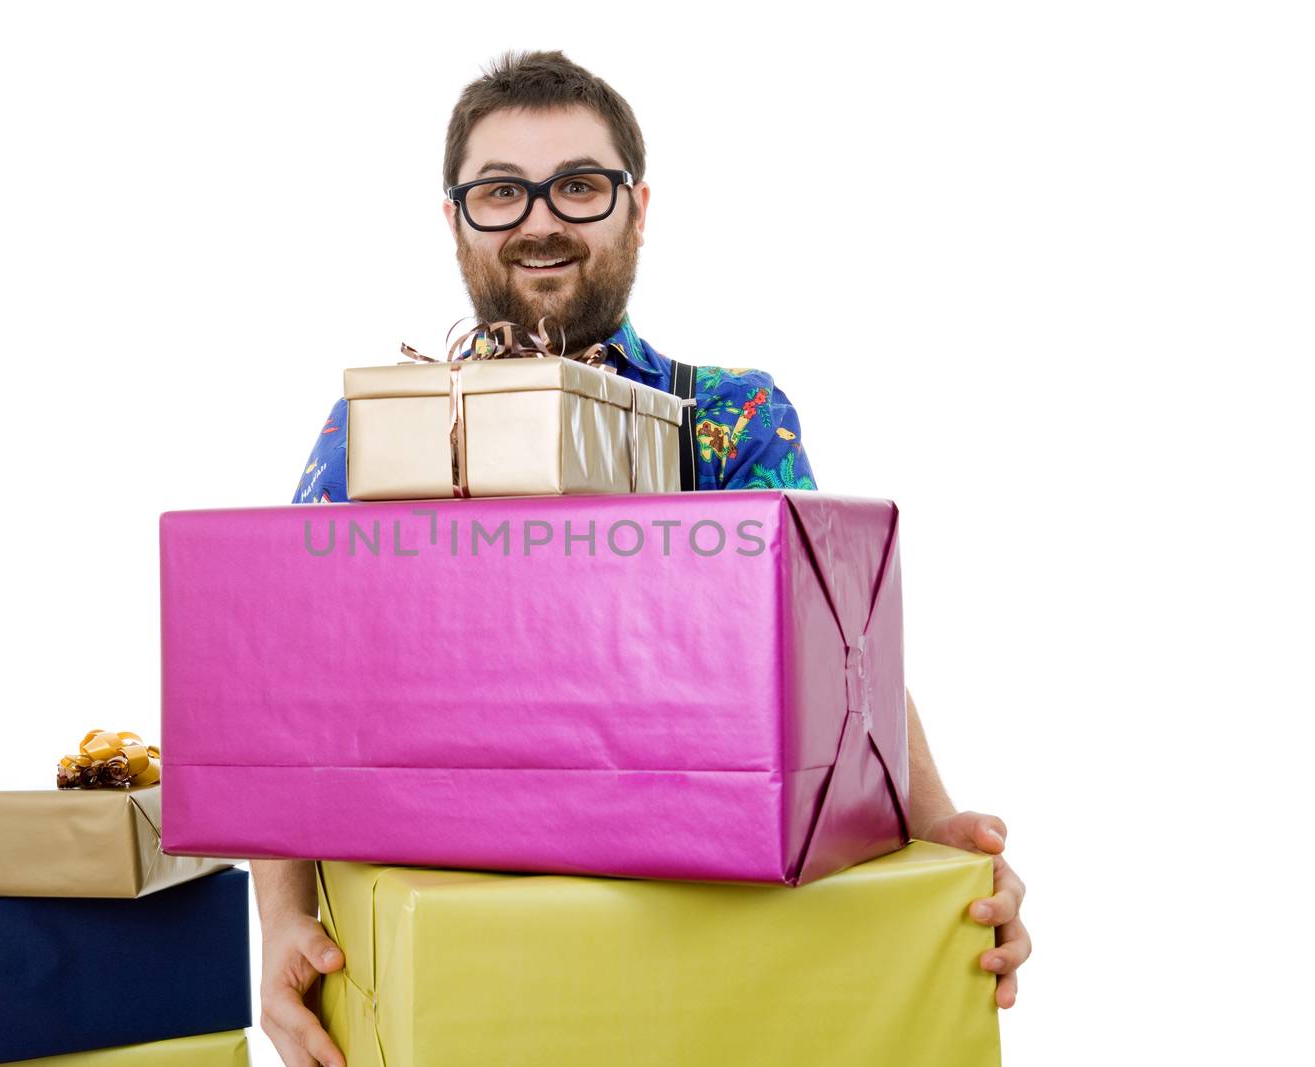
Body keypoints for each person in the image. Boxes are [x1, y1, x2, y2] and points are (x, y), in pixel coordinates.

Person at [262, 50, 1030, 1067]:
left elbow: (833, 639)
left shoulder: (729, 414)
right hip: (452, 958)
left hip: (701, 960)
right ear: (454, 220)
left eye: (579, 185)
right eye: (501, 192)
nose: (541, 220)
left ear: (636, 207)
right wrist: (276, 918)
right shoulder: (380, 427)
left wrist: (939, 846)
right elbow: (281, 684)